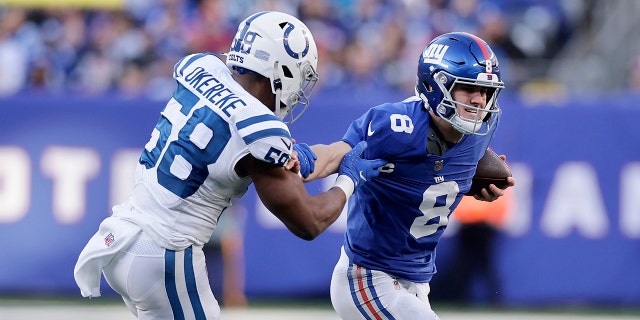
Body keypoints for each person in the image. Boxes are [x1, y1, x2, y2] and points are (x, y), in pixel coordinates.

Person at [73, 11, 386, 320]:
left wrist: (341, 150)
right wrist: (349, 181)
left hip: (123, 234)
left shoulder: (202, 69)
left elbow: (284, 161)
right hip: (165, 252)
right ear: (281, 70)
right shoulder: (257, 130)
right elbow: (309, 222)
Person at [297, 32, 516, 319]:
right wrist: (294, 160)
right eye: (468, 88)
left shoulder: (484, 127)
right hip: (368, 275)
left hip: (417, 281)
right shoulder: (397, 126)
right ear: (435, 86)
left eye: (486, 92)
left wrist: (474, 184)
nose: (479, 101)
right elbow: (336, 155)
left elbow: (447, 165)